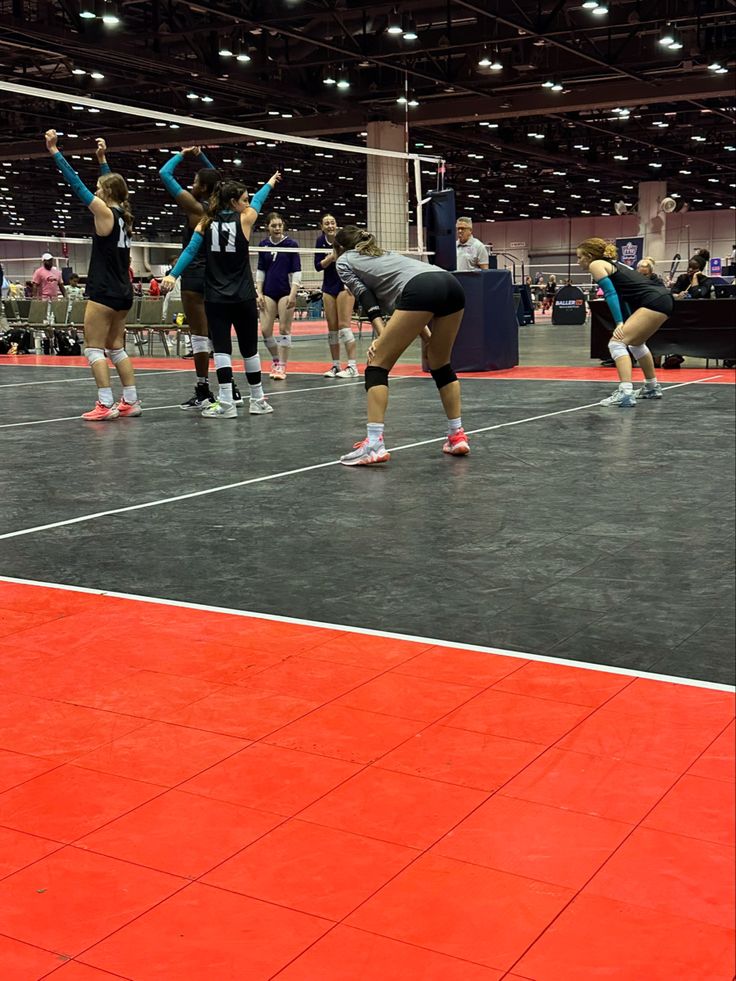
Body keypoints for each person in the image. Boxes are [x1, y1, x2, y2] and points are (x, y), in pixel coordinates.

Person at [334, 226, 468, 466]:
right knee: (440, 364)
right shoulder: (382, 254)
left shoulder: (344, 261)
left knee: (376, 365)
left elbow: (366, 298)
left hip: (420, 290)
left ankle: (374, 444)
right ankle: (457, 435)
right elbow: (413, 304)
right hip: (451, 284)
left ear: (339, 248)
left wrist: (380, 339)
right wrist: (427, 338)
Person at [161, 172, 281, 418]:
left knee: (223, 350)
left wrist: (173, 275)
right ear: (235, 202)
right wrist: (269, 182)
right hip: (244, 295)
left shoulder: (205, 222)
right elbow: (259, 200)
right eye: (244, 199)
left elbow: (190, 251)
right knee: (250, 349)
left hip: (216, 296)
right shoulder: (246, 218)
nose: (248, 203)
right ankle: (257, 399)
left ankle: (226, 403)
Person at [45, 131, 139, 420]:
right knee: (117, 348)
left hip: (104, 290)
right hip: (124, 292)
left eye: (100, 188)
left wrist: (55, 152)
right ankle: (131, 401)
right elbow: (114, 187)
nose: (96, 191)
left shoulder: (104, 211)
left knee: (94, 349)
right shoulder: (124, 213)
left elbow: (76, 184)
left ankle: (105, 404)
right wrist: (102, 160)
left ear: (107, 193)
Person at [159, 146, 241, 410]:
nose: (190, 185)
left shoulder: (196, 208)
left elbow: (164, 173)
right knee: (218, 335)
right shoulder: (225, 210)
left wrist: (182, 154)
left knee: (199, 336)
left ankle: (204, 389)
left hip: (194, 277)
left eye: (195, 182)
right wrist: (201, 157)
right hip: (217, 277)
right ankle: (231, 389)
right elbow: (220, 180)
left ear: (203, 188)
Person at [577, 237, 673, 407]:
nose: (578, 262)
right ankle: (651, 387)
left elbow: (610, 293)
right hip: (663, 299)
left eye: (579, 257)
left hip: (652, 300)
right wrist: (627, 319)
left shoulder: (596, 264)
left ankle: (625, 393)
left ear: (589, 256)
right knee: (636, 343)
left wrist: (620, 322)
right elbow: (623, 297)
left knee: (616, 343)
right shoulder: (614, 264)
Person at [256, 212, 302, 380]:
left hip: (285, 291)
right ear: (267, 227)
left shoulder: (291, 244)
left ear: (283, 226)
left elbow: (297, 271)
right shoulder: (263, 245)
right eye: (273, 225)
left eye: (279, 225)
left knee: (284, 329)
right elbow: (260, 271)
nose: (277, 228)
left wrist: (293, 294)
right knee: (265, 330)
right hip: (268, 291)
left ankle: (282, 366)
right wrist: (259, 292)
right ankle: (276, 359)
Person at [315, 213, 358, 378]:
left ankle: (353, 366)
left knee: (344, 326)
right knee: (332, 329)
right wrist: (332, 257)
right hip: (328, 286)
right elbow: (318, 266)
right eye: (327, 223)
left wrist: (350, 283)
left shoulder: (343, 239)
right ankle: (335, 366)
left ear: (336, 225)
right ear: (322, 227)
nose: (330, 226)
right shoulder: (320, 241)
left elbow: (352, 261)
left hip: (344, 285)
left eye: (332, 222)